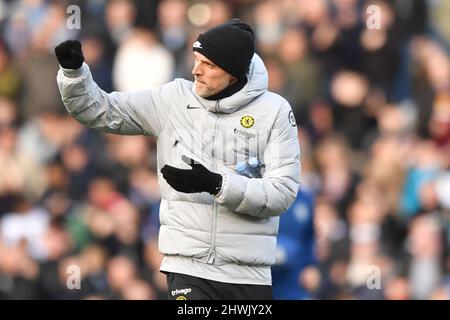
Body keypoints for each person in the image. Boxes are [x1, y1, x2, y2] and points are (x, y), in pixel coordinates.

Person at [55, 18, 301, 300]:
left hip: (248, 273)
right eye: (196, 60)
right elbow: (101, 110)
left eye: (208, 65)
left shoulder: (275, 112)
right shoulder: (172, 99)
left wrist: (217, 184)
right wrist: (74, 75)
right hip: (187, 267)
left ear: (234, 73)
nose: (196, 70)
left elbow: (282, 193)